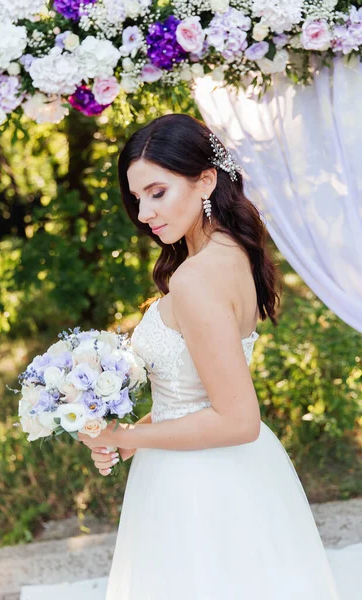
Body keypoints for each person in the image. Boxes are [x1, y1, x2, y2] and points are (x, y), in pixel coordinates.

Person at [78, 114, 340, 599]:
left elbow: (239, 419)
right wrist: (140, 436)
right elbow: (200, 388)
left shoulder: (195, 279)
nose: (144, 213)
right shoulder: (233, 251)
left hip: (200, 484)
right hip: (225, 469)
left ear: (205, 179)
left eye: (157, 192)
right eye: (137, 198)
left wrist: (124, 432)